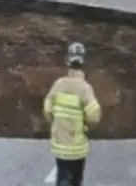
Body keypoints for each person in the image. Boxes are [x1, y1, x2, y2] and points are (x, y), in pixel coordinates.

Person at [43, 42, 101, 186]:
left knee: (62, 178)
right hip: (78, 148)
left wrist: (57, 125)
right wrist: (86, 128)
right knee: (76, 180)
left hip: (60, 146)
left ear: (67, 62)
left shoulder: (58, 85)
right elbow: (94, 117)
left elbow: (47, 110)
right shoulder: (85, 89)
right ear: (83, 63)